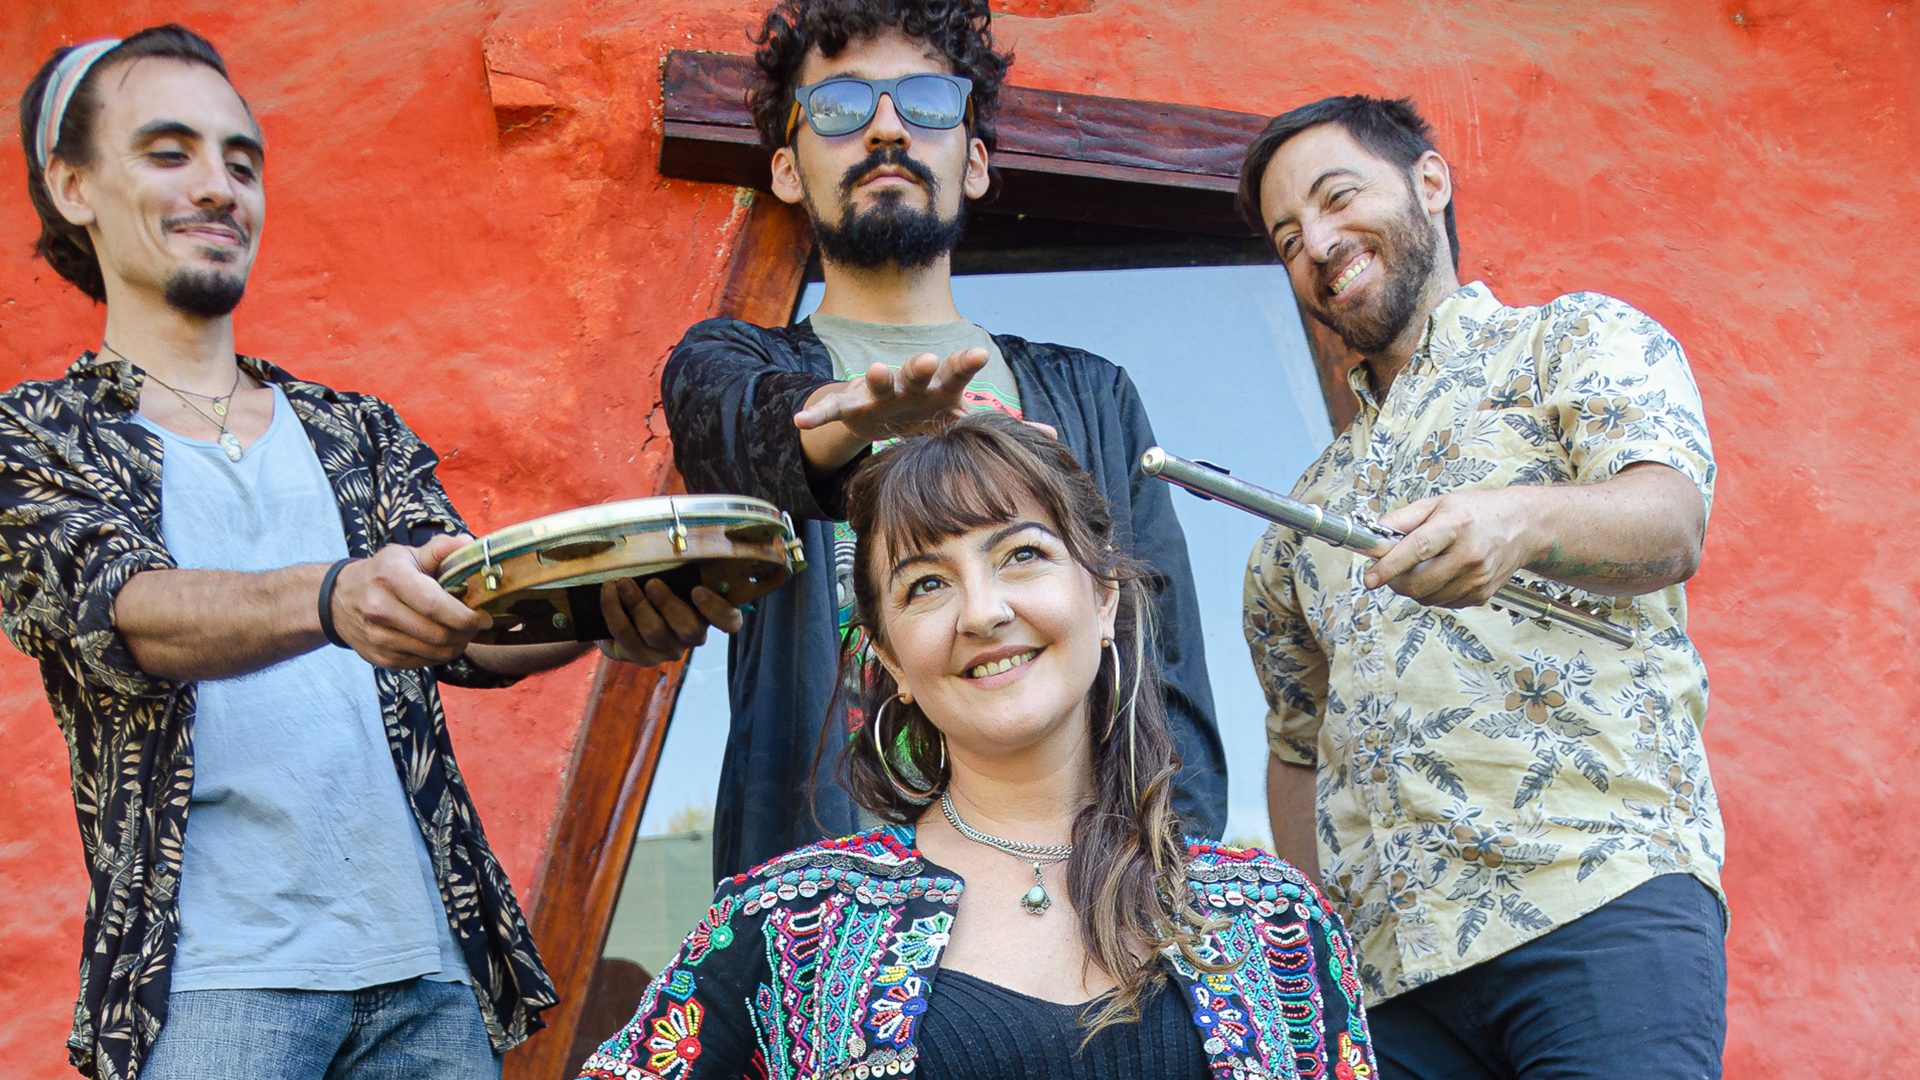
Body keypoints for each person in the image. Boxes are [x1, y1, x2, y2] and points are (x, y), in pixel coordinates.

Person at [2, 27, 737, 1080]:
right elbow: (122, 610)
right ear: (72, 185)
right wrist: (335, 597)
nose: (217, 187)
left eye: (242, 162)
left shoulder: (355, 430)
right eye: (170, 152)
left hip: (426, 979)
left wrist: (603, 612)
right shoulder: (34, 437)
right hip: (213, 988)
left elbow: (469, 625)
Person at [580, 411, 1375, 1080]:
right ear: (890, 660)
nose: (983, 611)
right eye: (926, 583)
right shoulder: (790, 924)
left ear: (1103, 600)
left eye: (1022, 554)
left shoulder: (1278, 922)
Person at [665, 0, 1226, 882]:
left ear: (975, 162)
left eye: (927, 102)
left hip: (1084, 902)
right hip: (828, 909)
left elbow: (1165, 674)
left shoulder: (1094, 397)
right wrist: (851, 420)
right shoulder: (732, 366)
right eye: (840, 106)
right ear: (787, 168)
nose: (887, 129)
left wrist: (1170, 894)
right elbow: (730, 430)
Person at [1236, 96, 1727, 1078]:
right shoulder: (1298, 519)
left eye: (1338, 198)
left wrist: (1519, 521)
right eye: (1288, 239)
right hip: (1390, 995)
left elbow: (1671, 521)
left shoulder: (1573, 341)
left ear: (1429, 182)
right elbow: (1297, 746)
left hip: (1594, 905)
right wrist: (1320, 955)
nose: (1319, 244)